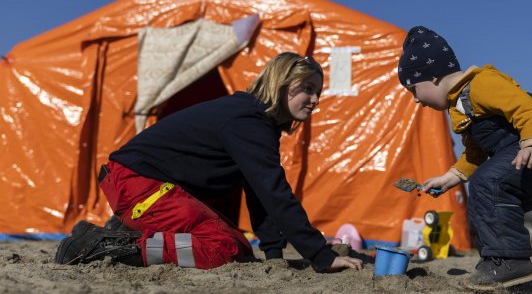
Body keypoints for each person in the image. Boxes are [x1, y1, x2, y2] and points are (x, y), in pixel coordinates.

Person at [55, 52, 363, 272]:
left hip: (141, 183)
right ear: (282, 83)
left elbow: (258, 192)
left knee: (239, 247)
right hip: (137, 183)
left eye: (318, 91)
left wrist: (273, 253)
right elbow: (274, 191)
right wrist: (320, 255)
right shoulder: (247, 121)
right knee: (223, 247)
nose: (315, 99)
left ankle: (126, 231)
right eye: (307, 88)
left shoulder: (256, 123)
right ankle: (109, 246)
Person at [397, 26, 532, 290]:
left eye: (414, 90)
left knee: (487, 184)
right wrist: (450, 178)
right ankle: (495, 263)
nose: (416, 101)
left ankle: (511, 262)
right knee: (483, 203)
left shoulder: (480, 84)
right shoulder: (459, 109)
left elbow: (524, 106)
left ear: (432, 78)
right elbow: (475, 152)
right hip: (520, 156)